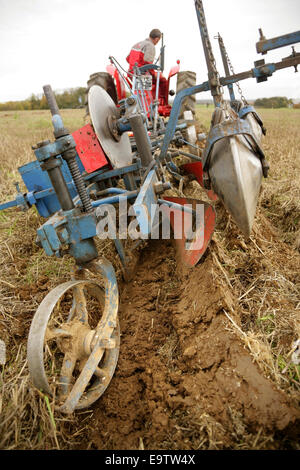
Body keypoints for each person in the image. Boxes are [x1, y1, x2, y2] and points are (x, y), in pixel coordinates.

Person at [126, 29, 168, 108]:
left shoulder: (136, 44)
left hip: (131, 74)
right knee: (163, 81)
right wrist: (153, 74)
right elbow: (148, 63)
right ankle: (161, 103)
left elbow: (128, 59)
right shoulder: (150, 46)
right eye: (158, 41)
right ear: (157, 39)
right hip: (143, 74)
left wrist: (136, 65)